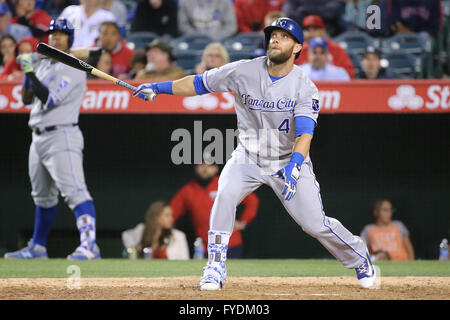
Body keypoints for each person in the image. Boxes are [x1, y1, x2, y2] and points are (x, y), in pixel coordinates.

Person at [133, 17, 376, 290]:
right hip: (248, 156)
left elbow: (305, 132)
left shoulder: (304, 86)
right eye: (273, 34)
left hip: (288, 159)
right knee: (223, 194)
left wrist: (295, 165)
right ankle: (215, 265)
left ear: (297, 47)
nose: (275, 39)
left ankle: (358, 256)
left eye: (284, 36)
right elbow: (199, 84)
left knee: (314, 224)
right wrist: (156, 87)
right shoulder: (244, 71)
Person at [3, 18, 101, 260]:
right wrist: (30, 72)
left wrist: (28, 70)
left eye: (61, 34)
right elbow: (27, 98)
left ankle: (90, 245)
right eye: (52, 33)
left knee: (76, 192)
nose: (55, 37)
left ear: (70, 39)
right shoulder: (45, 63)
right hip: (38, 136)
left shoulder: (75, 67)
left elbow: (49, 99)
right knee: (43, 196)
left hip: (62, 135)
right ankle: (38, 247)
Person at [170, 155, 259, 259]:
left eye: (209, 165)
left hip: (230, 244)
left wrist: (243, 222)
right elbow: (171, 212)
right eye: (201, 164)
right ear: (195, 167)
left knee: (233, 274)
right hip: (205, 246)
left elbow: (252, 200)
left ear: (216, 168)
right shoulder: (188, 190)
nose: (205, 168)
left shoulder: (225, 183)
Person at [121, 201, 190, 260]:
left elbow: (185, 259)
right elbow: (126, 235)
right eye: (167, 215)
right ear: (156, 217)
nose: (171, 219)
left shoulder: (178, 236)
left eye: (171, 215)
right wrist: (133, 248)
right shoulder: (143, 230)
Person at [282, 0, 346, 37]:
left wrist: (305, 10)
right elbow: (290, 14)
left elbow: (334, 11)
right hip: (301, 33)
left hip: (331, 34)